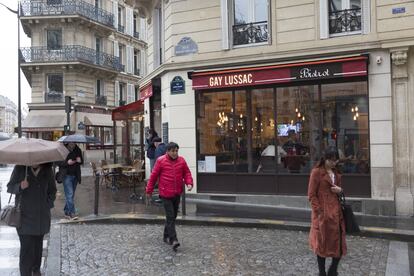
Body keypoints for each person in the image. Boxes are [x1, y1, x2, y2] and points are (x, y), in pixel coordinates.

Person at [7, 163, 57, 276]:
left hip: (41, 216)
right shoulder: (20, 168)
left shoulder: (47, 169)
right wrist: (20, 186)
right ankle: (25, 273)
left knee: (37, 246)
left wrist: (46, 204)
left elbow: (52, 191)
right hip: (24, 216)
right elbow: (10, 187)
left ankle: (36, 269)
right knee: (26, 248)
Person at [146, 142, 193, 251]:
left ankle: (165, 236)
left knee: (173, 216)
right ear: (167, 151)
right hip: (165, 194)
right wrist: (149, 190)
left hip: (177, 193)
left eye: (176, 151)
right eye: (172, 151)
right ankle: (173, 239)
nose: (175, 153)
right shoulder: (160, 161)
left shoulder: (181, 160)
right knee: (171, 216)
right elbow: (153, 176)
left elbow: (187, 173)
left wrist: (189, 183)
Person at [308, 150, 347, 276]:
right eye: (331, 160)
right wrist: (319, 212)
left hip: (337, 214)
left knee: (339, 246)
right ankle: (322, 273)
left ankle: (333, 270)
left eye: (336, 160)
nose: (334, 163)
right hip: (323, 215)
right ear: (325, 159)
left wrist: (340, 190)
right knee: (322, 246)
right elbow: (311, 195)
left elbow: (340, 193)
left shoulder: (337, 173)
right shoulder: (317, 173)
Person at [57, 142, 83, 220]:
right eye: (71, 143)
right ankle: (72, 213)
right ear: (68, 143)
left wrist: (80, 160)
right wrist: (67, 162)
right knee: (70, 194)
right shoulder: (62, 150)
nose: (73, 145)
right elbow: (57, 162)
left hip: (75, 175)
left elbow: (82, 161)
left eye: (74, 143)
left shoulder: (78, 150)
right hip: (66, 175)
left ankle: (66, 211)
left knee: (71, 195)